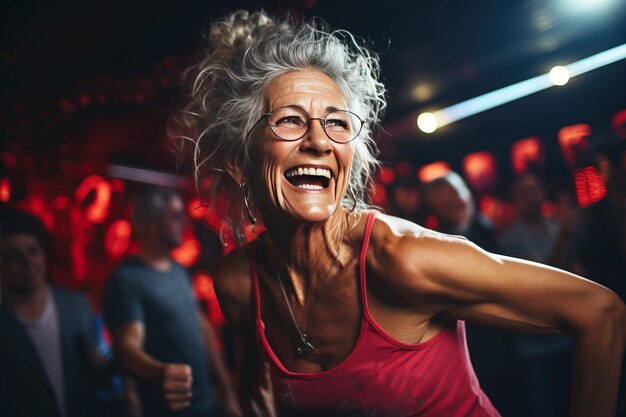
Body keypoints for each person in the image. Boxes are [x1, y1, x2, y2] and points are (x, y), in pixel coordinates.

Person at [171, 10, 626, 417]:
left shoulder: (402, 261)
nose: (319, 141)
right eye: (289, 119)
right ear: (238, 160)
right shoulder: (238, 285)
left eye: (336, 122)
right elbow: (258, 397)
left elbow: (599, 312)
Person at [101, 187, 241, 417]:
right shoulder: (127, 280)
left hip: (206, 405)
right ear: (151, 225)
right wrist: (160, 373)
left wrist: (226, 391)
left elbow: (202, 329)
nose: (184, 224)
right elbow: (126, 347)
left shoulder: (178, 270)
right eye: (175, 217)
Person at [424, 171, 520, 417]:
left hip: (512, 342)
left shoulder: (486, 227)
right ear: (436, 210)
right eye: (446, 202)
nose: (456, 202)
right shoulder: (437, 245)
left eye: (457, 194)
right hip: (476, 353)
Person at [0, 209, 112, 417]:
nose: (28, 262)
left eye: (33, 251)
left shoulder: (76, 306)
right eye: (14, 256)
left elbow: (96, 371)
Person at [499, 174, 580, 417]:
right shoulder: (510, 239)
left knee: (573, 404)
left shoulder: (555, 225)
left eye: (533, 189)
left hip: (566, 335)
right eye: (522, 193)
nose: (531, 197)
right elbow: (546, 281)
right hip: (534, 346)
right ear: (514, 201)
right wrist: (565, 236)